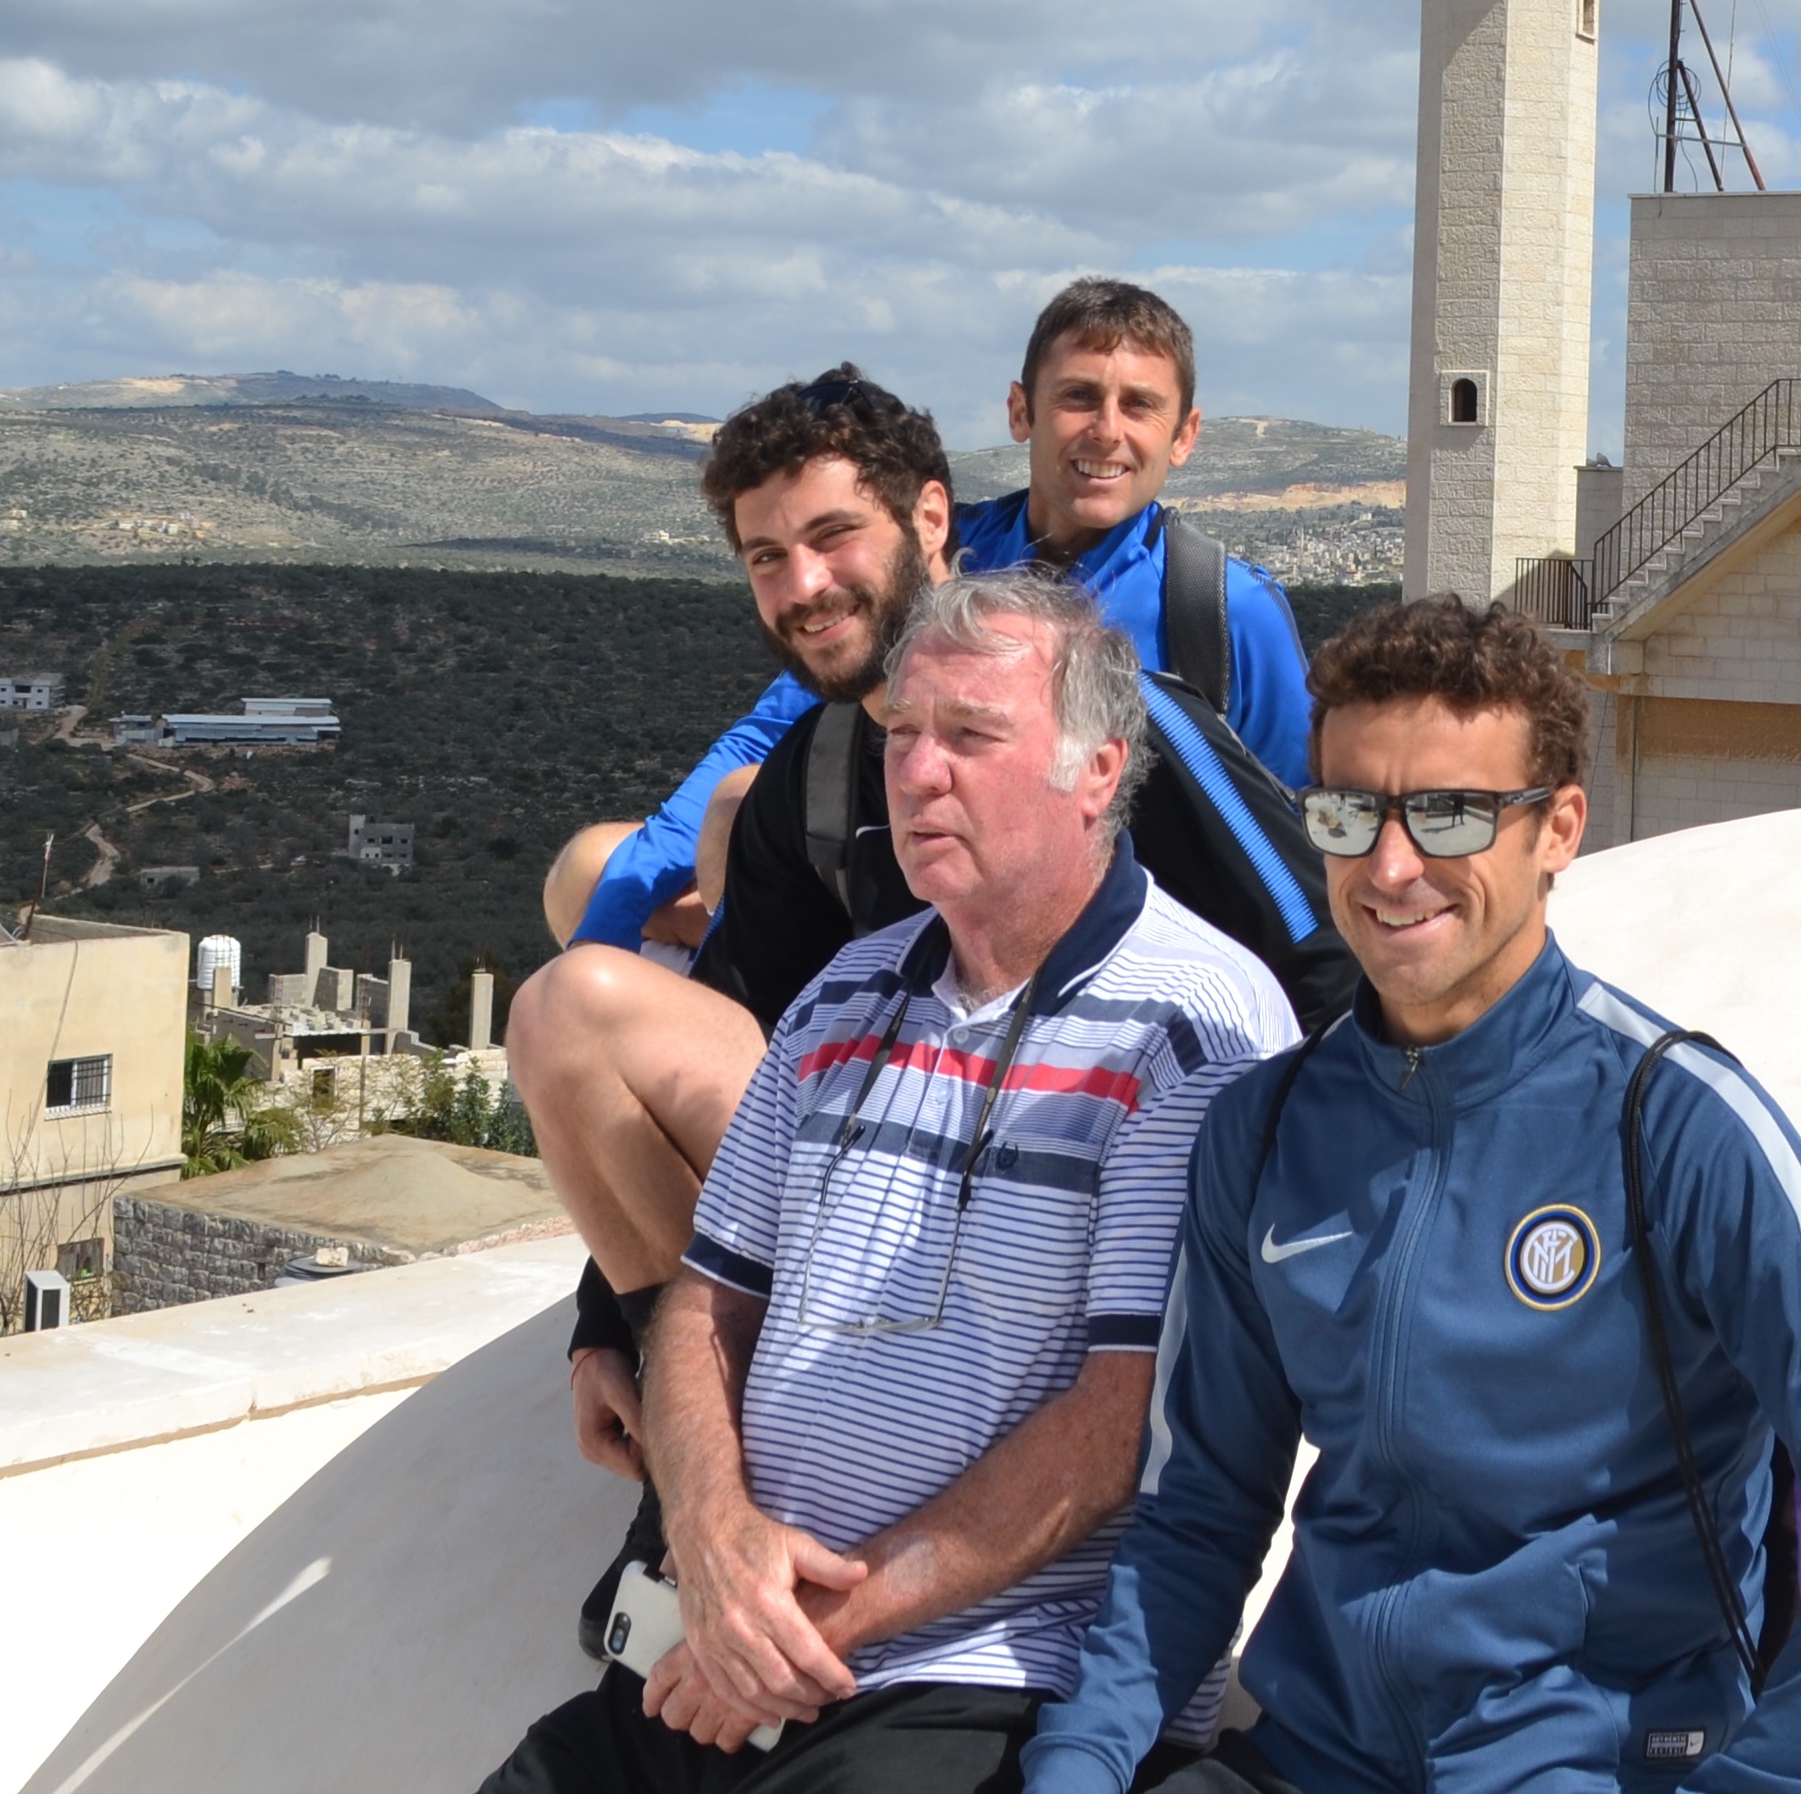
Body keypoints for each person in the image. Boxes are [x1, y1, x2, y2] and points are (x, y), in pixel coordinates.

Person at [1021, 598, 1801, 1794]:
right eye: (1349, 812)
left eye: (1449, 814)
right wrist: (1079, 1760)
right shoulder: (1266, 1129)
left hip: (1590, 1761)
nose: (1390, 866)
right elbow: (1201, 1512)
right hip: (1313, 1752)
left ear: (1558, 829)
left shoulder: (1673, 1124)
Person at [481, 571, 1299, 1794]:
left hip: (987, 1684)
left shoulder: (1191, 1027)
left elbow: (1119, 1424)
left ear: (1096, 771)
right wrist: (713, 1539)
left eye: (970, 735)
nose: (916, 773)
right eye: (904, 733)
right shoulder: (844, 993)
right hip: (738, 1651)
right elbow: (706, 1303)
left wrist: (803, 1630)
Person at [559, 284, 1314, 969]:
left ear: (1183, 434)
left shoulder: (1217, 610)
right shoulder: (942, 557)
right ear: (1021, 411)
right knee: (596, 868)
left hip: (1122, 943)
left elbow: (1292, 823)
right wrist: (615, 913)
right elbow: (771, 731)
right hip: (911, 889)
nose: (1106, 431)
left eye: (1139, 405)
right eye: (1078, 397)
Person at [509, 367, 959, 1438]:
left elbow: (1296, 960)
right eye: (767, 557)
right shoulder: (818, 768)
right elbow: (740, 1005)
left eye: (835, 536)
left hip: (1045, 1192)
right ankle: (695, 1422)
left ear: (930, 517)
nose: (805, 585)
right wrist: (599, 1328)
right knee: (569, 1010)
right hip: (870, 1171)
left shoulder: (1103, 723)